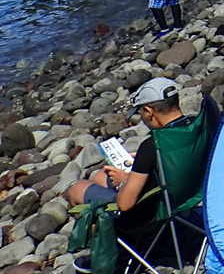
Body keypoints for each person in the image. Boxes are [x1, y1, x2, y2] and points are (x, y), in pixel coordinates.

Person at [65, 78, 193, 228]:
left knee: (77, 190)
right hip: (186, 199)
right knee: (101, 176)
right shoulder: (198, 127)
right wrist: (144, 164)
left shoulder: (153, 145)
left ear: (149, 111)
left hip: (155, 218)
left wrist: (124, 182)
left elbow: (125, 204)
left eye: (141, 113)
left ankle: (108, 241)